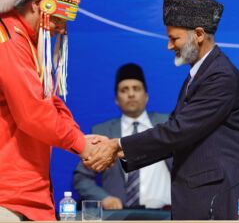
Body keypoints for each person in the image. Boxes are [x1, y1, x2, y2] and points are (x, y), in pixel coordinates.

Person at [84, 0, 239, 220]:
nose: (169, 46)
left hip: (211, 199)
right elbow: (175, 134)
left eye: (174, 38)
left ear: (198, 35)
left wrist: (117, 145)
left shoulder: (220, 76)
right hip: (195, 198)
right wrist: (117, 152)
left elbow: (179, 131)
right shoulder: (198, 76)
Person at [0, 0, 97, 222]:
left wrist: (80, 138)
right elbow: (33, 113)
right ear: (36, 5)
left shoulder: (24, 41)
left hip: (24, 195)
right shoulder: (8, 39)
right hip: (9, 199)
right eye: (57, 19)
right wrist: (82, 145)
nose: (60, 29)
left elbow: (48, 101)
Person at [73, 63, 171, 210]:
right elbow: (81, 178)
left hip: (165, 215)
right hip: (120, 217)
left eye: (136, 89)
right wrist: (104, 199)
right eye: (124, 90)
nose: (131, 94)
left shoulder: (167, 124)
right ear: (116, 100)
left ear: (146, 97)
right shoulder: (103, 132)